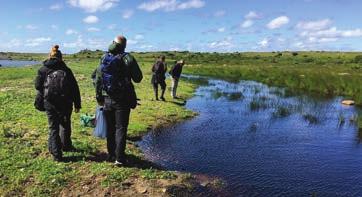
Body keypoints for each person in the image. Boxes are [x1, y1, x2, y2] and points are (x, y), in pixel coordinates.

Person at [95, 35, 143, 166]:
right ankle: (119, 158)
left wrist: (99, 97)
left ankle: (111, 154)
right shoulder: (128, 58)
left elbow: (98, 79)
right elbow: (138, 78)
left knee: (110, 128)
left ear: (112, 43)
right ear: (124, 45)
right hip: (123, 99)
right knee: (121, 128)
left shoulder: (104, 57)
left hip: (107, 98)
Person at [35, 45, 81, 162]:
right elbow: (74, 88)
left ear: (50, 56)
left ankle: (56, 154)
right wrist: (77, 104)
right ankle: (66, 146)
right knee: (65, 125)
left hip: (49, 103)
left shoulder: (43, 70)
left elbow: (37, 86)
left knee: (53, 128)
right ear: (61, 57)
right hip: (65, 102)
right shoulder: (66, 70)